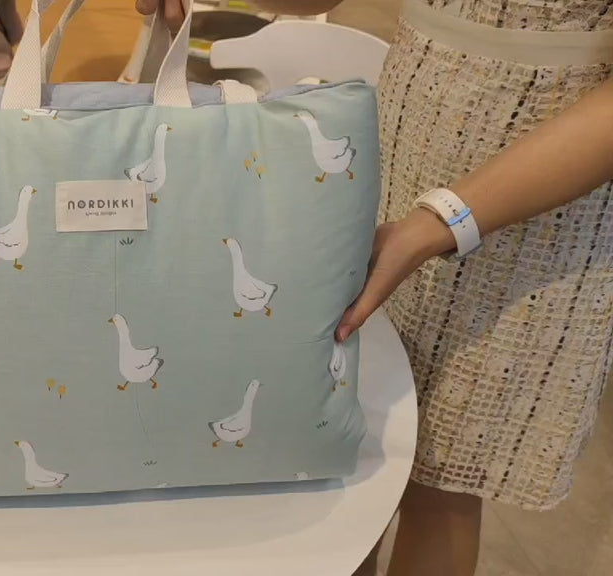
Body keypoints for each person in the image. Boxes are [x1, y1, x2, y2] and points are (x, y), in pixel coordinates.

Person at [134, 1, 613, 575]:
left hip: (531, 209)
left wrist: (441, 222)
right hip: (396, 148)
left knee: (441, 480)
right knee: (347, 457)